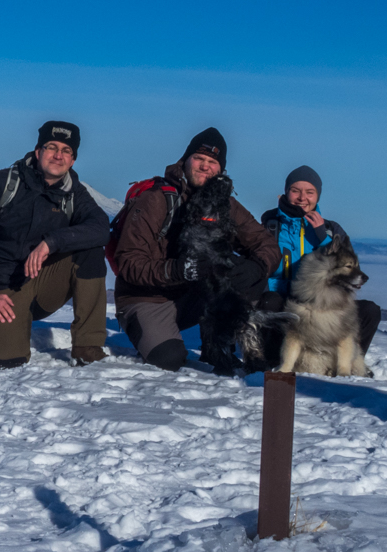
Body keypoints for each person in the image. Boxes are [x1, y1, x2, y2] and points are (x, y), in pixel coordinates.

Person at [113, 128, 280, 372]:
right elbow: (128, 262)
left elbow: (266, 244)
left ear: (220, 170)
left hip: (192, 296)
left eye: (212, 162)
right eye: (199, 159)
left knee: (248, 275)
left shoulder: (225, 205)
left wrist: (256, 267)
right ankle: (144, 330)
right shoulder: (155, 199)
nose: (205, 166)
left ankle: (218, 346)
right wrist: (178, 270)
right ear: (186, 160)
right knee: (168, 357)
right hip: (147, 297)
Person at [0, 121, 111, 369]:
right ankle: (12, 326)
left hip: (44, 283)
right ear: (38, 152)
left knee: (90, 249)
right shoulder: (2, 184)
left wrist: (52, 242)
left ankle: (87, 347)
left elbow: (101, 228)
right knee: (7, 359)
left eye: (66, 151)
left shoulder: (74, 193)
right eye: (52, 147)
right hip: (1, 288)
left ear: (72, 160)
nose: (58, 155)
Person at [258, 165, 382, 354]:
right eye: (295, 191)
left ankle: (347, 363)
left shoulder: (332, 230)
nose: (302, 198)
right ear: (286, 192)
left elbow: (349, 273)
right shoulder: (269, 227)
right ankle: (271, 360)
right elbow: (257, 272)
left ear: (318, 196)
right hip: (284, 303)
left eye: (310, 192)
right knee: (269, 301)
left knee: (370, 311)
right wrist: (294, 291)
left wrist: (323, 238)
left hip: (323, 306)